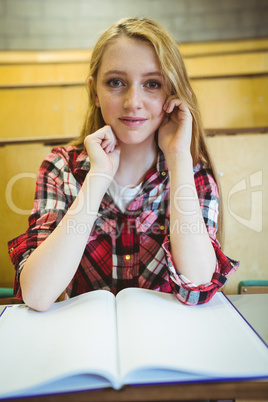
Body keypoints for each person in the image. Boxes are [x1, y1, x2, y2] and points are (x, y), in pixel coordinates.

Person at [8, 17, 239, 311]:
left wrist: (178, 157)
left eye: (152, 84)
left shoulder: (192, 170)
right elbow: (37, 295)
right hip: (87, 338)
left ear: (172, 94)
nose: (133, 101)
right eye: (116, 82)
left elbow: (196, 284)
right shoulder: (61, 166)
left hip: (168, 337)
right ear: (95, 91)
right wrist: (99, 175)